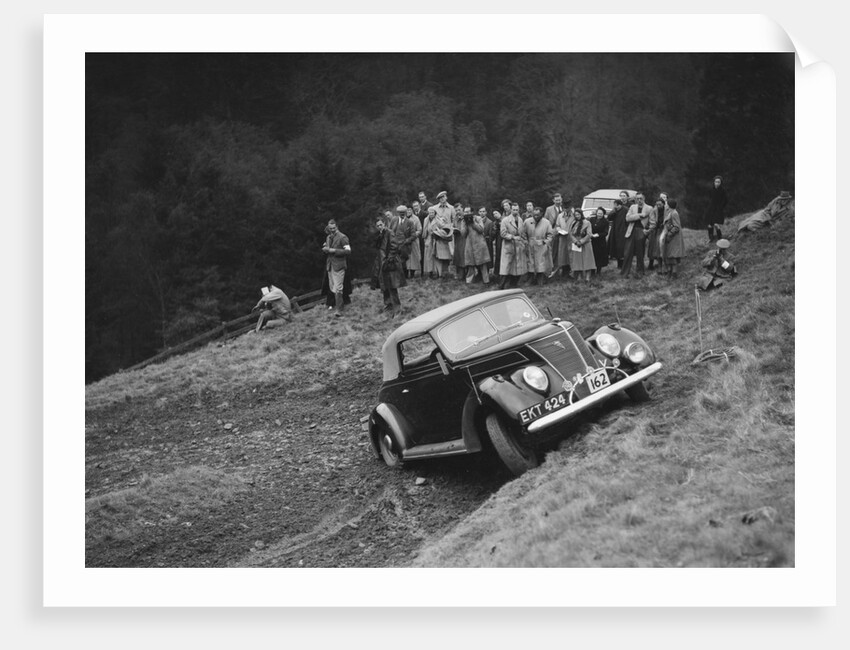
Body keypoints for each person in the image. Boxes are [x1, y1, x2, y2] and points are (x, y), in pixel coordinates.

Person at [375, 216, 406, 317]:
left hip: (390, 263)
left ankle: (397, 309)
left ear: (384, 224)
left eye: (381, 225)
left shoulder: (389, 233)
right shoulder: (380, 235)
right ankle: (388, 305)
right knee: (384, 285)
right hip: (382, 262)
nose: (380, 227)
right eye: (378, 225)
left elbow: (394, 247)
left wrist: (389, 259)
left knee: (392, 286)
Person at [620, 193, 653, 279]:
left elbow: (652, 222)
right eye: (637, 199)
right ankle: (624, 273)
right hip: (631, 230)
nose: (639, 200)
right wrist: (639, 215)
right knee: (627, 253)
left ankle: (640, 273)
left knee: (640, 253)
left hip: (641, 231)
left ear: (644, 199)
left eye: (641, 198)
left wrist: (647, 231)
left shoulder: (649, 208)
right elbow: (627, 218)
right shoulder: (632, 207)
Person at [322, 218, 351, 316]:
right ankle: (338, 306)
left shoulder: (343, 237)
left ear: (337, 227)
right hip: (330, 265)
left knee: (338, 288)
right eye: (330, 228)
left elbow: (348, 251)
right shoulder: (328, 237)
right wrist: (326, 249)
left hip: (339, 266)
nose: (332, 230)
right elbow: (329, 249)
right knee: (333, 288)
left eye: (334, 228)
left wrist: (333, 250)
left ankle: (339, 309)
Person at [499, 202, 527, 288]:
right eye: (514, 210)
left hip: (518, 246)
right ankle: (501, 286)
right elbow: (503, 234)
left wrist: (524, 240)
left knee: (517, 267)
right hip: (509, 246)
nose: (515, 211)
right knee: (506, 267)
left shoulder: (520, 220)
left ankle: (514, 284)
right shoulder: (505, 220)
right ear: (511, 210)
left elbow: (522, 232)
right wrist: (512, 237)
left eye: (517, 210)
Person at [461, 206, 491, 284]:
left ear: (472, 212)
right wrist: (466, 225)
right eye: (465, 212)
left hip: (479, 244)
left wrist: (473, 223)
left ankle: (486, 281)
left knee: (483, 264)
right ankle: (469, 281)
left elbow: (481, 230)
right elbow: (463, 234)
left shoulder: (478, 218)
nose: (466, 213)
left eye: (468, 212)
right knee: (470, 264)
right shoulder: (463, 221)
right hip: (469, 245)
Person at [524, 206, 554, 285]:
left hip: (541, 245)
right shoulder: (527, 221)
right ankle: (530, 278)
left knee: (541, 262)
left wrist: (544, 241)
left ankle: (540, 278)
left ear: (542, 214)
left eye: (538, 215)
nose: (536, 216)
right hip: (530, 244)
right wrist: (526, 242)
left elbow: (550, 235)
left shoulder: (546, 222)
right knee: (530, 262)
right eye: (534, 215)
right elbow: (523, 233)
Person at [568, 209, 596, 282]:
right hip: (576, 244)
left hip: (585, 244)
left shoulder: (587, 223)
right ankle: (579, 277)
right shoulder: (573, 223)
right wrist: (576, 241)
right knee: (578, 261)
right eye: (576, 215)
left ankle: (587, 278)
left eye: (578, 214)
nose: (577, 216)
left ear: (581, 214)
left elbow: (589, 234)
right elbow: (570, 233)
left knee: (588, 261)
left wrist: (581, 241)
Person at [660, 198, 684, 278]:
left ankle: (674, 274)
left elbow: (676, 227)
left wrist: (669, 234)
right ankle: (670, 273)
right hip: (670, 238)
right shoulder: (670, 213)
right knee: (669, 256)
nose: (665, 205)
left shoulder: (674, 213)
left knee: (673, 256)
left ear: (669, 205)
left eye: (666, 203)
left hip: (673, 238)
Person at [431, 204, 455, 279]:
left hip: (444, 244)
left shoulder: (447, 227)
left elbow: (446, 233)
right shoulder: (435, 223)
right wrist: (437, 231)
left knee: (445, 259)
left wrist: (439, 232)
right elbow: (432, 231)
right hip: (437, 243)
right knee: (438, 259)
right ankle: (439, 273)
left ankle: (445, 274)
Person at [551, 205, 575, 278]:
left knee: (571, 255)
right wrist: (559, 230)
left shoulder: (574, 215)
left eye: (567, 208)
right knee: (563, 255)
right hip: (562, 237)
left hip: (571, 238)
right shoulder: (560, 216)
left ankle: (571, 272)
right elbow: (557, 225)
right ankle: (564, 272)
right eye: (565, 208)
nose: (566, 209)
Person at [399, 205, 422, 279]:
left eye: (410, 210)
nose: (408, 212)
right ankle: (406, 273)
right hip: (405, 241)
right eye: (407, 210)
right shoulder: (402, 219)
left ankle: (412, 273)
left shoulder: (416, 219)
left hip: (414, 241)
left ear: (412, 211)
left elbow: (419, 229)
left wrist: (414, 235)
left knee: (414, 257)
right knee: (406, 257)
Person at [705, 175, 728, 242]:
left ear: (721, 183)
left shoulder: (723, 191)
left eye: (718, 182)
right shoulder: (711, 190)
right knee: (709, 225)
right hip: (711, 209)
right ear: (714, 182)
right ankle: (710, 238)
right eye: (716, 182)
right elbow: (710, 199)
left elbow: (725, 200)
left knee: (716, 224)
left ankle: (720, 238)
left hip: (718, 210)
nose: (717, 183)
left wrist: (720, 207)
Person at [607, 197, 628, 269]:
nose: (614, 206)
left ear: (619, 205)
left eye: (615, 205)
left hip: (623, 231)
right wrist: (614, 211)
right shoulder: (614, 211)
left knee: (621, 248)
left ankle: (623, 265)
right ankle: (619, 265)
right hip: (615, 231)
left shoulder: (625, 210)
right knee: (615, 247)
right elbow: (609, 218)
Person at [588, 207, 610, 276]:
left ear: (603, 214)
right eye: (598, 213)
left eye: (601, 213)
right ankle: (592, 271)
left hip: (600, 242)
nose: (599, 215)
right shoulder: (592, 219)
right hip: (592, 241)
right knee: (592, 255)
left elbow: (605, 232)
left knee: (599, 257)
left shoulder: (606, 221)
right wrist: (590, 234)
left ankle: (598, 271)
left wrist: (598, 235)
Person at [646, 198, 665, 271]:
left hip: (662, 230)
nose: (658, 206)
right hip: (654, 230)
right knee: (651, 247)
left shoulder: (666, 211)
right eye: (657, 204)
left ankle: (661, 265)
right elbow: (651, 220)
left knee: (660, 247)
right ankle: (651, 264)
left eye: (660, 204)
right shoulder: (654, 210)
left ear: (663, 204)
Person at [421, 205, 437, 279]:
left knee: (435, 256)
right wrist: (425, 238)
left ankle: (436, 271)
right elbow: (424, 230)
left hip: (436, 239)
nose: (431, 214)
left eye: (432, 212)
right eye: (430, 212)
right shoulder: (426, 220)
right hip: (428, 239)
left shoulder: (438, 219)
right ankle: (429, 271)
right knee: (428, 256)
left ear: (435, 213)